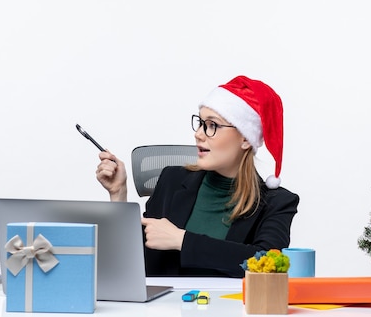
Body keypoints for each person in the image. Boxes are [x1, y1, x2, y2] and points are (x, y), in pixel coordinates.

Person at [95, 75, 299, 277]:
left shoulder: (277, 202)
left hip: (230, 308)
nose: (199, 134)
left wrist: (182, 240)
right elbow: (135, 258)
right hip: (165, 308)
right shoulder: (172, 180)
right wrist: (118, 195)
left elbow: (268, 263)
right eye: (201, 123)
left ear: (245, 138)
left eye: (212, 125)